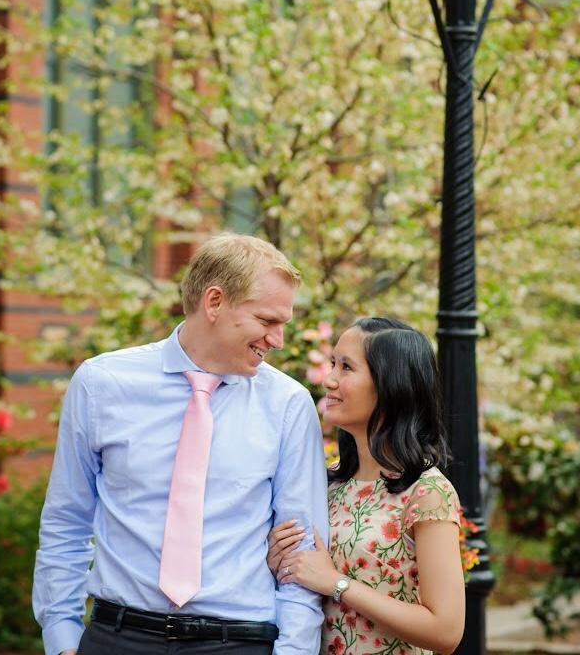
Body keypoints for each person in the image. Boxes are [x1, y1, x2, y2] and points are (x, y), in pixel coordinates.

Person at [33, 232, 329, 655]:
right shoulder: (102, 384)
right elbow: (67, 520)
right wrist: (61, 637)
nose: (278, 340)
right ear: (214, 302)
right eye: (267, 321)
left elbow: (303, 551)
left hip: (238, 642)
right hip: (117, 637)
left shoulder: (288, 405)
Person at [267, 318, 465, 655]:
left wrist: (337, 584)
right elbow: (308, 583)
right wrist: (279, 565)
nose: (329, 380)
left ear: (391, 385)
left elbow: (445, 631)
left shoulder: (427, 492)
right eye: (332, 364)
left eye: (346, 367)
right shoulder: (327, 483)